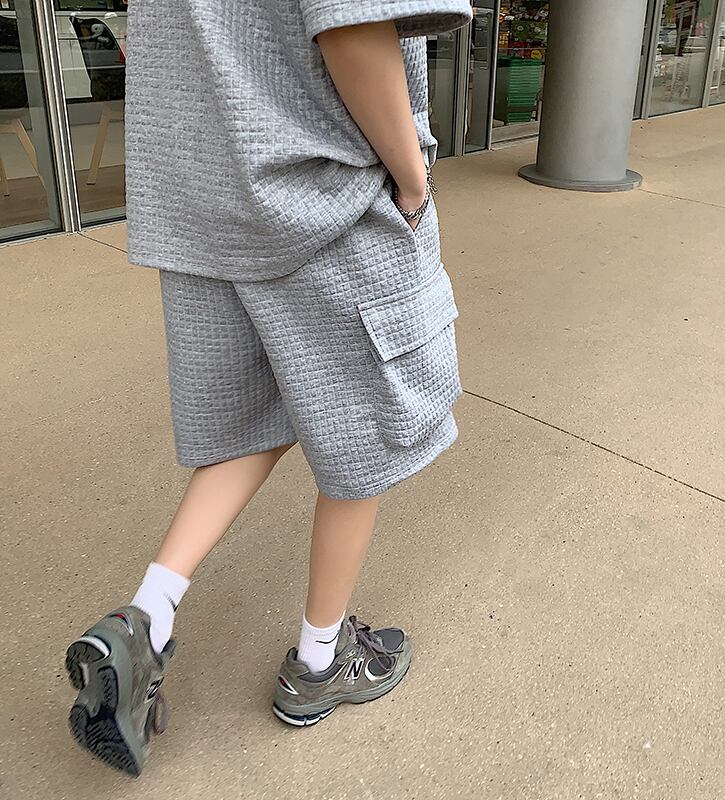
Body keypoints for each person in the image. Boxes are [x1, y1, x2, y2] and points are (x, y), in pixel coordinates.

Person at [65, 0, 471, 777]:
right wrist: (412, 178)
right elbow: (351, 24)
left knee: (257, 417)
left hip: (204, 209)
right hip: (320, 193)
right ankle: (321, 661)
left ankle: (145, 617)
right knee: (365, 432)